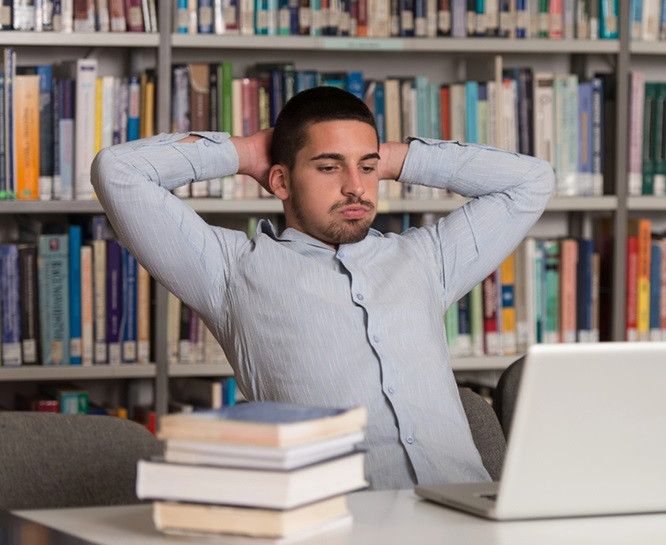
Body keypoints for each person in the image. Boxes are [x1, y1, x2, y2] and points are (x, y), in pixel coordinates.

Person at [91, 85, 554, 490]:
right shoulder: (231, 269)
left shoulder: (426, 258)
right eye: (329, 168)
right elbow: (119, 171)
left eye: (367, 169)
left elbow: (532, 181)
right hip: (341, 535)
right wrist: (249, 151)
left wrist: (391, 158)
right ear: (281, 180)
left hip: (469, 521)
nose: (356, 188)